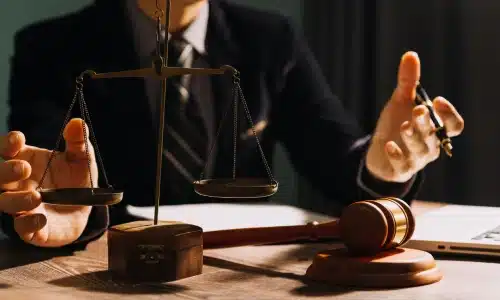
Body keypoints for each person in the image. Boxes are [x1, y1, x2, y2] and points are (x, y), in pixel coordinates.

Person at [0, 0, 464, 248]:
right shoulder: (52, 47)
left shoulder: (270, 40)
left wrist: (385, 163)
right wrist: (55, 204)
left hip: (237, 267)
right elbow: (42, 169)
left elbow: (335, 160)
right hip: (112, 268)